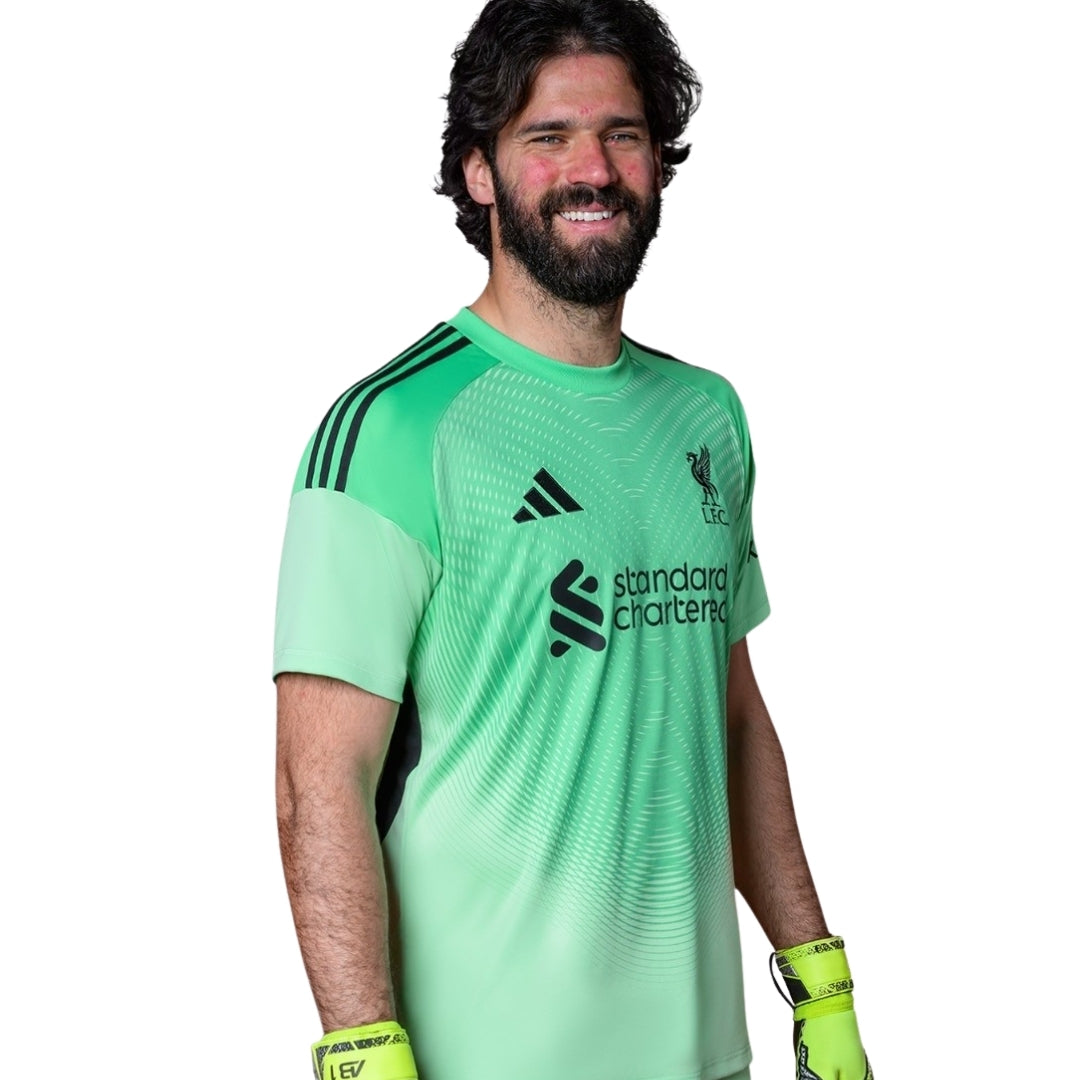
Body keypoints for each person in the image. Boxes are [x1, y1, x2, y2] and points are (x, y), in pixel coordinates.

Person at [273, 2, 873, 1078]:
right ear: (480, 172)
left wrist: (820, 980)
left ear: (657, 161)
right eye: (548, 136)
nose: (592, 169)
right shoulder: (396, 428)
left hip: (705, 1057)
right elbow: (318, 784)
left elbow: (733, 721)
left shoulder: (707, 417)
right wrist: (363, 1052)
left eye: (622, 134)